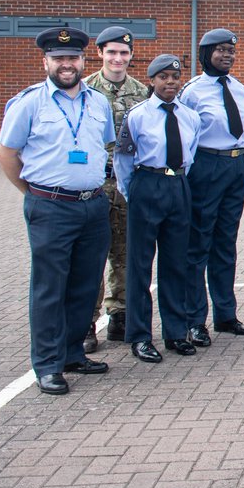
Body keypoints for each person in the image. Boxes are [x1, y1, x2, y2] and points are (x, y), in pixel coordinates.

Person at [0, 26, 114, 395]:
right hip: (51, 206)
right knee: (50, 288)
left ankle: (72, 353)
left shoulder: (98, 103)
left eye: (73, 58)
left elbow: (103, 146)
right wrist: (34, 194)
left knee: (84, 284)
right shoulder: (29, 103)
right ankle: (47, 365)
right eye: (59, 58)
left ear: (83, 61)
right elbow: (5, 154)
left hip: (93, 205)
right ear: (45, 62)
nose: (67, 64)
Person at [113, 54, 200, 363]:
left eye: (175, 77)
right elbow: (123, 160)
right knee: (139, 265)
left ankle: (175, 332)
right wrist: (133, 193)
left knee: (176, 263)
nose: (170, 82)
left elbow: (190, 153)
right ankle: (140, 336)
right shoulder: (137, 115)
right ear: (152, 81)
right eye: (163, 77)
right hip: (147, 185)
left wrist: (176, 182)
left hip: (178, 185)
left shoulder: (190, 116)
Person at [178, 28, 244, 346]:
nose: (227, 55)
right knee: (199, 244)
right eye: (220, 50)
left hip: (236, 166)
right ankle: (195, 319)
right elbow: (183, 134)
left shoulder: (239, 88)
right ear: (205, 53)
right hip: (206, 165)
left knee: (226, 242)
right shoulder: (192, 91)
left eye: (231, 51)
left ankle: (226, 314)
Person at [82, 26, 148, 352]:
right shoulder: (85, 91)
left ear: (131, 55)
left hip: (127, 185)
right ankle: (86, 323)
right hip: (96, 184)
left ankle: (120, 315)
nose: (118, 58)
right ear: (100, 53)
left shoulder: (142, 92)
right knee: (91, 256)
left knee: (125, 253)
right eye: (111, 52)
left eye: (123, 53)